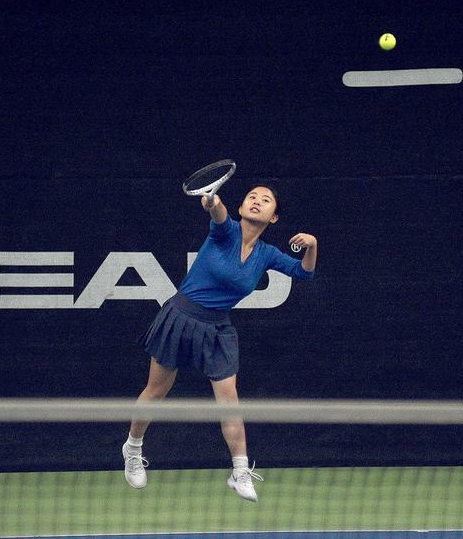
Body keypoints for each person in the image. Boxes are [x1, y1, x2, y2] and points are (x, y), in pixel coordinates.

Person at [122, 184, 317, 502]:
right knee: (156, 391)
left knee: (230, 401)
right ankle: (132, 448)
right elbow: (218, 213)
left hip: (217, 329)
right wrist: (212, 201)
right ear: (241, 208)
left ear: (274, 217)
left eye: (265, 200)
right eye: (252, 197)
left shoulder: (266, 254)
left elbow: (304, 273)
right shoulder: (225, 232)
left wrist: (312, 245)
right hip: (181, 317)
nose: (256, 201)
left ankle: (239, 471)